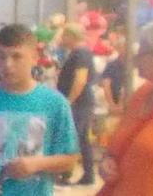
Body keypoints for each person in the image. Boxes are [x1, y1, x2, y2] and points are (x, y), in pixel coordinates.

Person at [0, 23, 79, 196]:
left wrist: (37, 164)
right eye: (1, 57)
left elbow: (70, 158)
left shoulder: (55, 103)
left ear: (34, 57)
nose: (8, 64)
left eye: (17, 57)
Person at [98, 21, 153, 195]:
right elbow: (120, 145)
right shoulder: (142, 93)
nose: (135, 58)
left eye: (141, 52)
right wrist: (108, 160)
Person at [56, 22, 95, 186]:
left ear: (72, 36)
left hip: (78, 103)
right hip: (81, 102)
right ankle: (88, 175)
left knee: (71, 137)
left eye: (65, 35)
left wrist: (69, 101)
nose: (62, 39)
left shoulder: (81, 53)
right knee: (83, 139)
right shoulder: (77, 53)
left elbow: (80, 80)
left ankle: (65, 175)